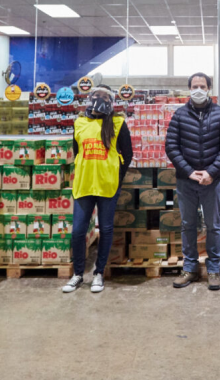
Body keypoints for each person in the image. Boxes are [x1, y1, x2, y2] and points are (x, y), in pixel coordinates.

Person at [165, 72, 220, 291]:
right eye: (194, 86)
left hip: (211, 180)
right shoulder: (179, 115)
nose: (198, 90)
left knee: (213, 225)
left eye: (202, 86)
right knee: (188, 225)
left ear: (209, 89)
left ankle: (213, 269)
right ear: (189, 89)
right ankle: (190, 268)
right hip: (186, 180)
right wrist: (189, 172)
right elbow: (171, 146)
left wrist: (211, 172)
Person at [61, 85, 133, 294]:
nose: (99, 99)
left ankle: (99, 272)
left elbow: (127, 154)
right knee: (78, 230)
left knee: (106, 229)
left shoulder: (118, 123)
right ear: (89, 98)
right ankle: (77, 274)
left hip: (108, 185)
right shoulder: (80, 122)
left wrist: (117, 177)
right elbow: (77, 152)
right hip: (84, 184)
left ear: (111, 101)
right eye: (95, 95)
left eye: (105, 96)